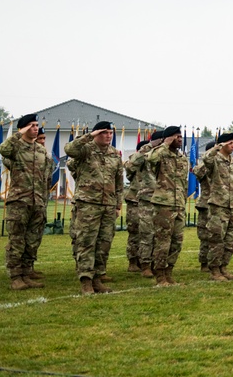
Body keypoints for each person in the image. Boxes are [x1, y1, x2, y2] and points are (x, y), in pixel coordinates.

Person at [64, 121, 124, 294]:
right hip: (88, 204)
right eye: (104, 132)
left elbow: (118, 182)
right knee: (86, 242)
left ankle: (97, 278)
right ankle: (86, 281)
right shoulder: (86, 150)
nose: (108, 135)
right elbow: (69, 149)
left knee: (104, 243)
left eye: (110, 133)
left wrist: (118, 204)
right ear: (96, 134)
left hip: (108, 205)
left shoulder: (114, 154)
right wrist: (89, 136)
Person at [0, 114, 53, 290]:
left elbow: (46, 176)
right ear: (23, 128)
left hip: (38, 202)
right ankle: (15, 277)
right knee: (17, 241)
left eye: (37, 125)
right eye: (31, 125)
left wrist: (44, 199)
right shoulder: (16, 147)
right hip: (19, 201)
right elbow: (3, 149)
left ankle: (27, 273)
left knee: (32, 241)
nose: (36, 128)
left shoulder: (41, 150)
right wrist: (18, 133)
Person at [148, 126, 190, 286]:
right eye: (176, 137)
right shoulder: (161, 154)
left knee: (177, 242)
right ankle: (159, 276)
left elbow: (183, 183)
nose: (179, 139)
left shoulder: (182, 158)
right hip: (163, 204)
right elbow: (150, 159)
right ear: (168, 138)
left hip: (178, 204)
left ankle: (168, 273)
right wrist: (165, 144)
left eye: (180, 136)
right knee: (163, 241)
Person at [197, 133, 233, 280]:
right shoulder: (214, 160)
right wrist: (216, 147)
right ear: (222, 145)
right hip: (218, 205)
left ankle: (224, 267)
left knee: (231, 239)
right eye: (229, 143)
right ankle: (214, 270)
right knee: (216, 238)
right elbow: (206, 159)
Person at [137, 130, 164, 277]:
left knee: (160, 235)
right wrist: (149, 146)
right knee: (147, 234)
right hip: (147, 198)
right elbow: (131, 164)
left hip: (163, 199)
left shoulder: (167, 154)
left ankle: (157, 264)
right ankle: (145, 265)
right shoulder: (145, 153)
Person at [122, 139, 150, 273]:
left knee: (148, 233)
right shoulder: (134, 161)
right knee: (134, 232)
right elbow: (129, 170)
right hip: (135, 200)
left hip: (149, 200)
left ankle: (145, 260)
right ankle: (133, 261)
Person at [195, 141, 214, 272]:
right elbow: (198, 172)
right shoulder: (202, 167)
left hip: (219, 204)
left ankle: (215, 261)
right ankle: (204, 263)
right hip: (206, 204)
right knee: (205, 235)